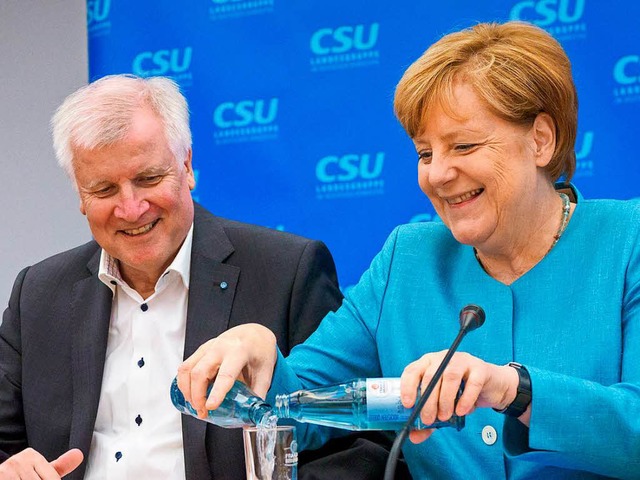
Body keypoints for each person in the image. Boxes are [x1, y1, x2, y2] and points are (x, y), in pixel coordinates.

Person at [176, 21, 640, 479]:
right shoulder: (406, 259)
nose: (437, 174)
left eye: (463, 145)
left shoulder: (629, 240)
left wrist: (514, 390)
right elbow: (301, 410)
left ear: (541, 139)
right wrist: (259, 357)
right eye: (425, 154)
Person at [0, 74, 350, 479]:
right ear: (80, 195)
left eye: (148, 179)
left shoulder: (288, 271)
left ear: (185, 166)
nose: (131, 209)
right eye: (104, 189)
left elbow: (349, 445)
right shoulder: (38, 293)